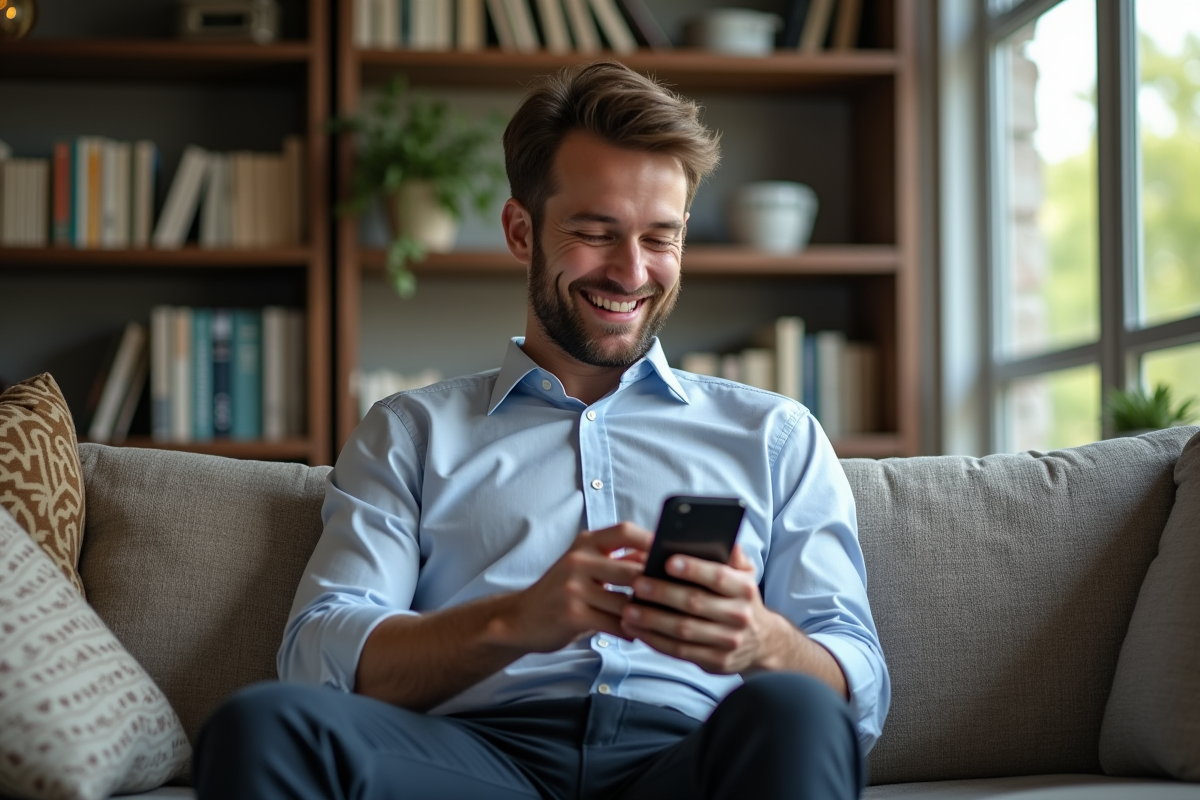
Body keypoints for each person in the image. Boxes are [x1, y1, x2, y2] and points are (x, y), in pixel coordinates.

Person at [194, 60, 889, 800]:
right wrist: (516, 621)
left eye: (660, 238)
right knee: (262, 725)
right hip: (471, 764)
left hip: (693, 763)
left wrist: (762, 640)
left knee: (799, 712)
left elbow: (859, 688)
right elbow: (317, 656)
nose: (631, 273)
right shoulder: (409, 433)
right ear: (521, 232)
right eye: (595, 232)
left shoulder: (776, 435)